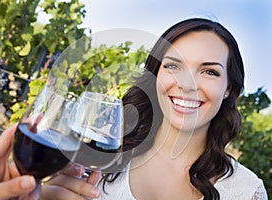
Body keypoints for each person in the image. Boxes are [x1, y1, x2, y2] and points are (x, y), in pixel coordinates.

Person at [40, 18, 268, 199]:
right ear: (156, 74)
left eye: (209, 72)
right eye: (173, 66)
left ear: (229, 88)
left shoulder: (246, 192)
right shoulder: (101, 157)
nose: (187, 84)